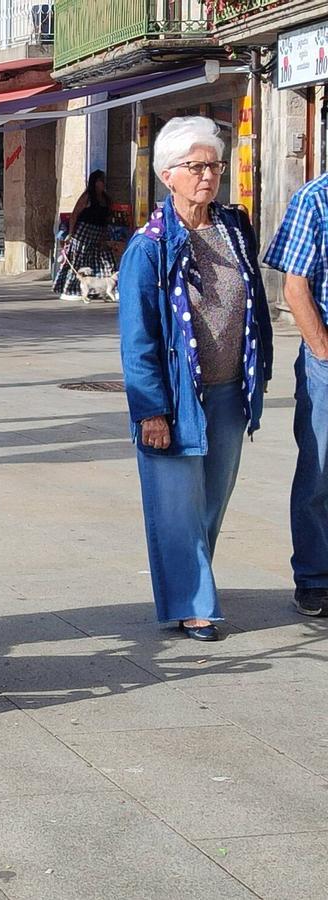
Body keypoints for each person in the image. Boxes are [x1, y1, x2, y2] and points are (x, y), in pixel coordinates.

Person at [118, 116, 273, 642]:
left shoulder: (233, 227)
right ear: (168, 175)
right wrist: (151, 410)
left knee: (210, 501)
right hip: (177, 396)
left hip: (231, 390)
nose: (208, 176)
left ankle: (189, 584)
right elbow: (137, 339)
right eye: (196, 166)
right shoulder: (148, 246)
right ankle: (194, 604)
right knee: (177, 505)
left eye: (214, 165)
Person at [264, 170, 328, 616]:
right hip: (326, 360)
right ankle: (315, 578)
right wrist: (323, 354)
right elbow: (295, 287)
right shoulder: (315, 200)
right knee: (320, 471)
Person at [55, 169, 117, 300]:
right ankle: (73, 289)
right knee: (79, 260)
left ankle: (104, 289)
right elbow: (74, 215)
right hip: (83, 233)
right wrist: (71, 234)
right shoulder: (87, 197)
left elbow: (106, 219)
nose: (103, 183)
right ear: (95, 182)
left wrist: (105, 236)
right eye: (101, 180)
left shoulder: (106, 199)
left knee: (104, 259)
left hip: (98, 233)